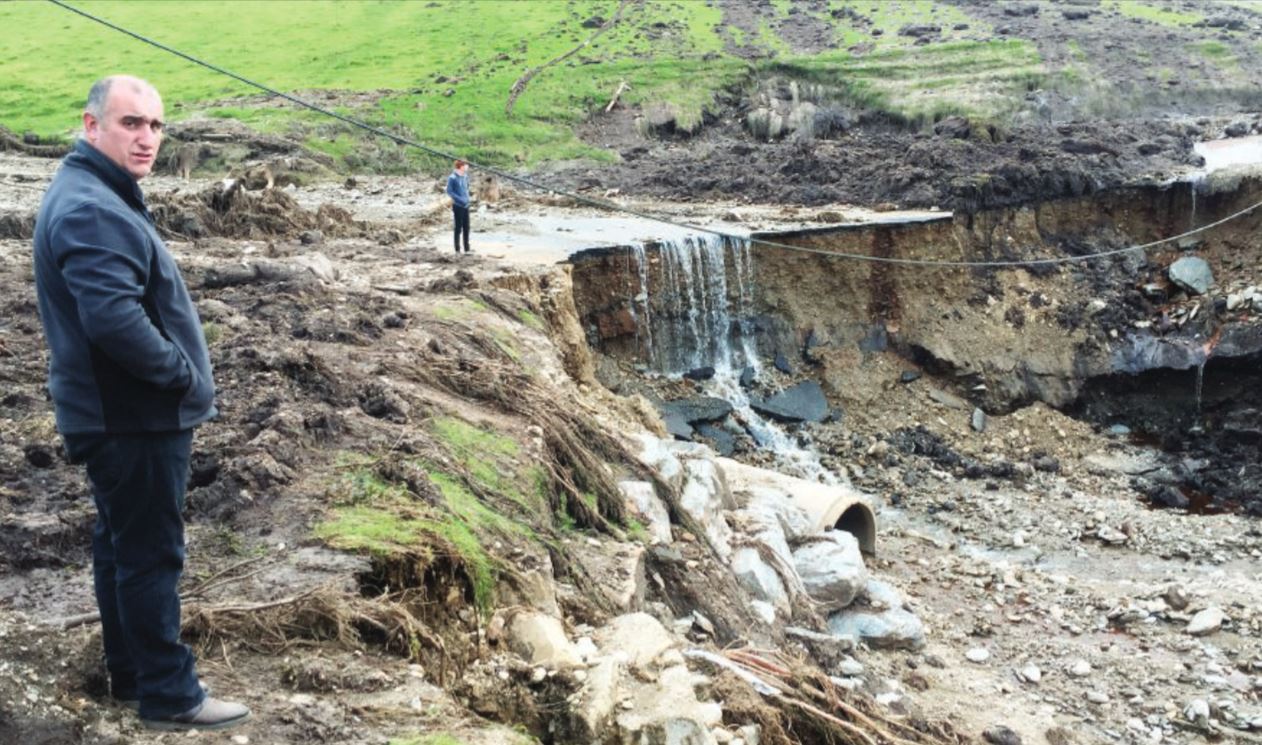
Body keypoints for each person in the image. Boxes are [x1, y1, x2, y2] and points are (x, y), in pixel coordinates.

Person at [32, 75, 250, 732]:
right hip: (133, 417)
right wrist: (183, 375)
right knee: (152, 552)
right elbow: (115, 322)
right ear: (91, 125)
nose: (147, 137)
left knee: (123, 545)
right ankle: (169, 691)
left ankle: (132, 672)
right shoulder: (91, 207)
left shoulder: (93, 192)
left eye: (156, 125)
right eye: (131, 123)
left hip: (117, 413)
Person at [446, 158, 471, 253]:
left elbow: (466, 188)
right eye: (466, 165)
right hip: (458, 206)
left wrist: (468, 199)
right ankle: (457, 249)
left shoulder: (465, 177)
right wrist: (460, 200)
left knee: (466, 227)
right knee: (458, 227)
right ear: (461, 166)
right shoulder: (452, 177)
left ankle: (467, 249)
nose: (467, 166)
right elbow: (449, 191)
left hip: (466, 205)